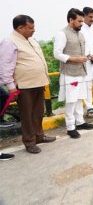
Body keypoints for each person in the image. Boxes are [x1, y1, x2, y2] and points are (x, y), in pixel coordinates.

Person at [0, 15, 56, 153]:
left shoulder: (30, 40)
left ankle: (39, 136)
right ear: (20, 28)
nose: (34, 30)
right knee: (27, 115)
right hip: (24, 86)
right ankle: (29, 141)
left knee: (38, 112)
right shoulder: (9, 42)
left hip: (38, 83)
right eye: (30, 28)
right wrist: (11, 87)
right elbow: (5, 66)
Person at [54, 8, 93, 139]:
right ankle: (70, 127)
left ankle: (80, 122)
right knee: (71, 101)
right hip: (70, 73)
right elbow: (57, 54)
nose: (82, 23)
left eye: (82, 21)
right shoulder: (62, 34)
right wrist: (74, 59)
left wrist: (88, 56)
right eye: (79, 21)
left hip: (81, 71)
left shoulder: (80, 33)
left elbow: (84, 50)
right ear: (71, 20)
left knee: (79, 99)